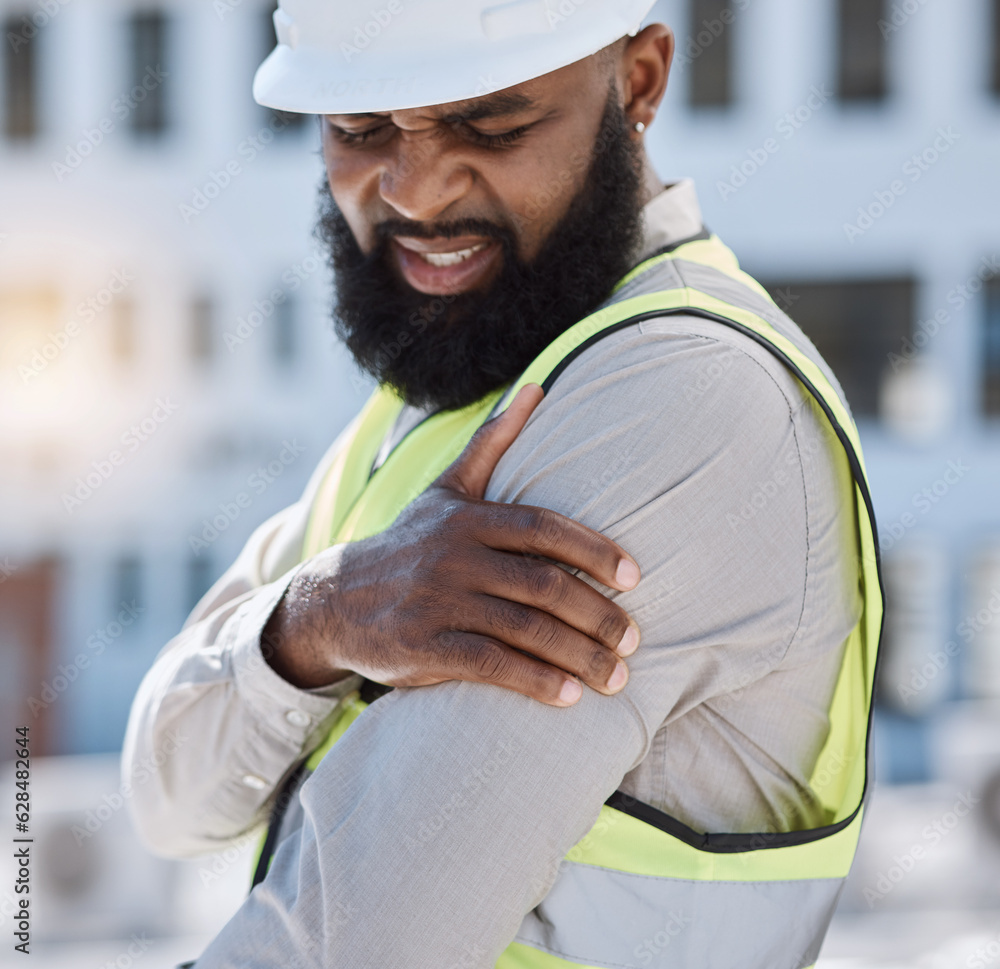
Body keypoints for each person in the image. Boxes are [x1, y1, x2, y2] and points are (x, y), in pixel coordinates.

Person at [122, 2, 883, 966]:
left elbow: (353, 943)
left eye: (490, 124)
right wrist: (312, 623)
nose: (417, 192)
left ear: (639, 80)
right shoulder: (430, 405)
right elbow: (167, 794)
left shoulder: (680, 396)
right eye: (360, 130)